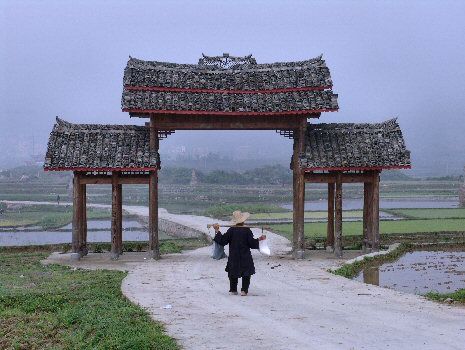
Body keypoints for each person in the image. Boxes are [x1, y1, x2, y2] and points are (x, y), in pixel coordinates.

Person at [213, 210, 266, 296]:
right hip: (245, 255)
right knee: (246, 272)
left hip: (234, 255)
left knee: (233, 272)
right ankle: (244, 291)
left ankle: (233, 290)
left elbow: (223, 241)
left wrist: (217, 230)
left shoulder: (231, 230)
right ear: (243, 220)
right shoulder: (247, 230)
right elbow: (252, 244)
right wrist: (260, 239)